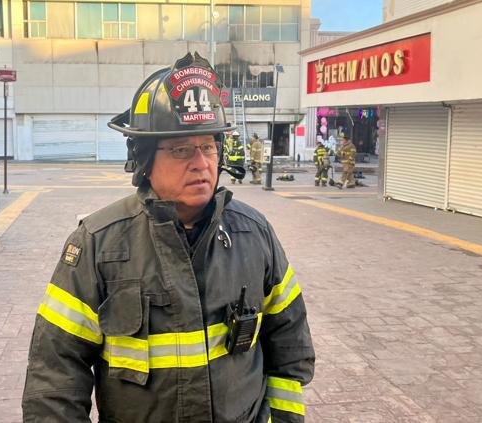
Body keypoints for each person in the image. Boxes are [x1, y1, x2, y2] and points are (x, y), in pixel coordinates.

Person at [22, 52, 314, 423]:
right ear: (144, 158)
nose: (201, 163)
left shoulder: (254, 234)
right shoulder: (97, 245)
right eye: (181, 149)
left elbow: (289, 346)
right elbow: (54, 379)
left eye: (208, 146)